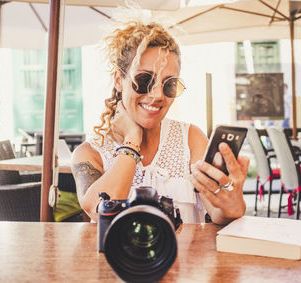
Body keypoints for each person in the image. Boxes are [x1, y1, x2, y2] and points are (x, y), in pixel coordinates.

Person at [71, 20, 249, 225]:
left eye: (169, 84)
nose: (157, 95)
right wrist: (132, 141)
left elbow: (218, 213)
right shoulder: (89, 153)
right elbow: (98, 210)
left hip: (184, 257)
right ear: (119, 80)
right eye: (145, 80)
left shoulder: (190, 138)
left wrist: (232, 204)